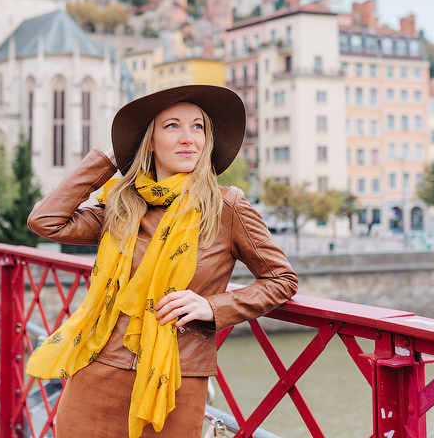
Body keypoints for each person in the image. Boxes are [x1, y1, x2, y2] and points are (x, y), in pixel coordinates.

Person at [25, 84, 297, 438]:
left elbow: (282, 280)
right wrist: (109, 159)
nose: (189, 138)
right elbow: (46, 220)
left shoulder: (226, 207)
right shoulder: (123, 207)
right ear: (149, 141)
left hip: (174, 382)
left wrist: (213, 306)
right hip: (96, 369)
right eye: (172, 126)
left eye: (198, 127)